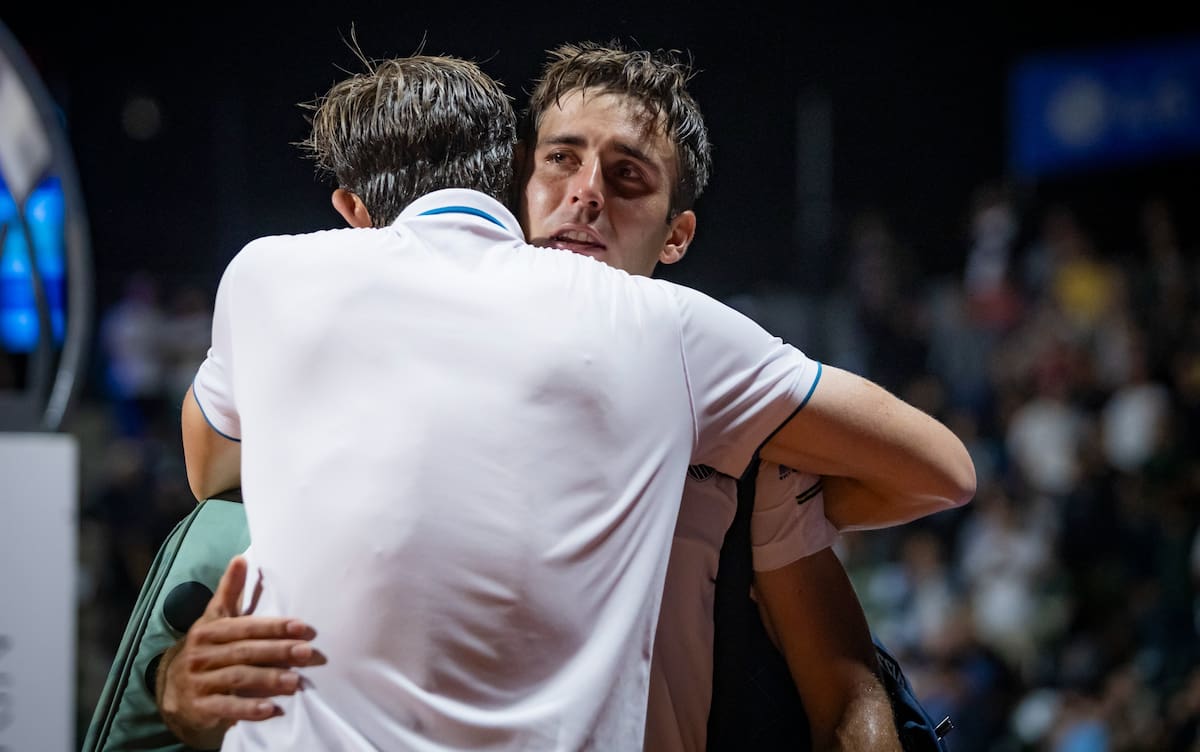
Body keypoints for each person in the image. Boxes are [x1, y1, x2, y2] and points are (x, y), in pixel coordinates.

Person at [146, 43, 971, 752]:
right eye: (560, 160)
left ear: (677, 234)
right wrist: (177, 680)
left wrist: (778, 520)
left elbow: (850, 695)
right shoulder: (378, 341)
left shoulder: (730, 402)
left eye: (627, 175)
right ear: (519, 184)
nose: (584, 194)